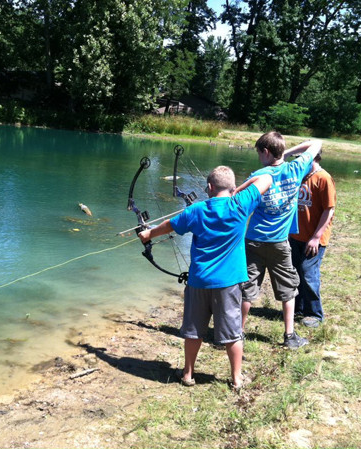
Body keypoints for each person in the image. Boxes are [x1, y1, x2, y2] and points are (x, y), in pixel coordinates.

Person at [138, 166, 273, 390]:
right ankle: (237, 378)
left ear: (209, 187)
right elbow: (266, 178)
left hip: (199, 281)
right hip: (228, 284)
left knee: (194, 331)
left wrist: (148, 234)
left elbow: (169, 225)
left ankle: (188, 374)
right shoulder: (240, 204)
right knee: (233, 333)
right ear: (230, 187)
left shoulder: (197, 210)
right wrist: (236, 190)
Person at [240, 132, 322, 349]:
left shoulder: (257, 175)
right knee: (288, 289)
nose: (259, 157)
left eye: (259, 153)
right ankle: (289, 336)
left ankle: (236, 333)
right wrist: (288, 152)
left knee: (247, 287)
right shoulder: (296, 169)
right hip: (279, 243)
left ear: (266, 152)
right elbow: (316, 143)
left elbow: (240, 205)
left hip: (253, 240)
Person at [289, 150, 336, 328]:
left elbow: (328, 209)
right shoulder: (299, 176)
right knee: (296, 272)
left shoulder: (323, 178)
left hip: (315, 238)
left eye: (302, 158)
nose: (299, 162)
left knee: (308, 273)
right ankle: (299, 308)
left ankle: (314, 313)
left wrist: (316, 237)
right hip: (296, 235)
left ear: (314, 158)